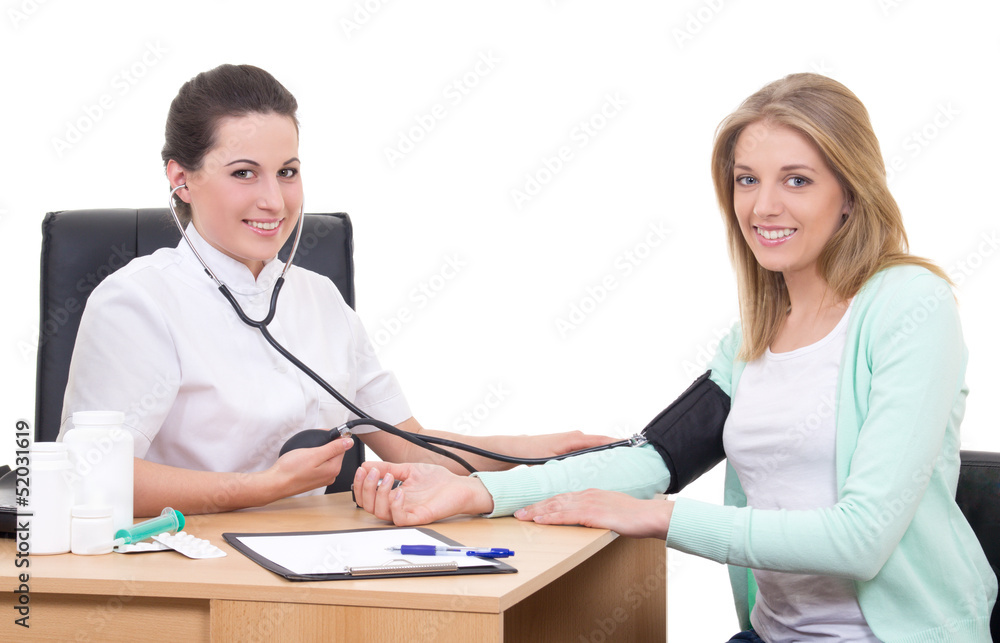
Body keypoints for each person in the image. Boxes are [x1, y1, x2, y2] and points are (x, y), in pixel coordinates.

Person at [352, 73, 997, 642]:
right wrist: (473, 492)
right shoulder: (752, 336)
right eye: (747, 180)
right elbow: (654, 459)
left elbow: (861, 539)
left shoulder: (910, 306)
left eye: (797, 180)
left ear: (851, 192)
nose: (764, 206)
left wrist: (658, 517)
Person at [58, 64, 612, 518]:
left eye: (288, 171)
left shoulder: (319, 298)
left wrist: (544, 450)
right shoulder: (136, 301)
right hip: (184, 568)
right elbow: (90, 475)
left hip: (313, 561)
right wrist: (263, 488)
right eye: (244, 173)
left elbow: (411, 445)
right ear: (181, 179)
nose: (275, 201)